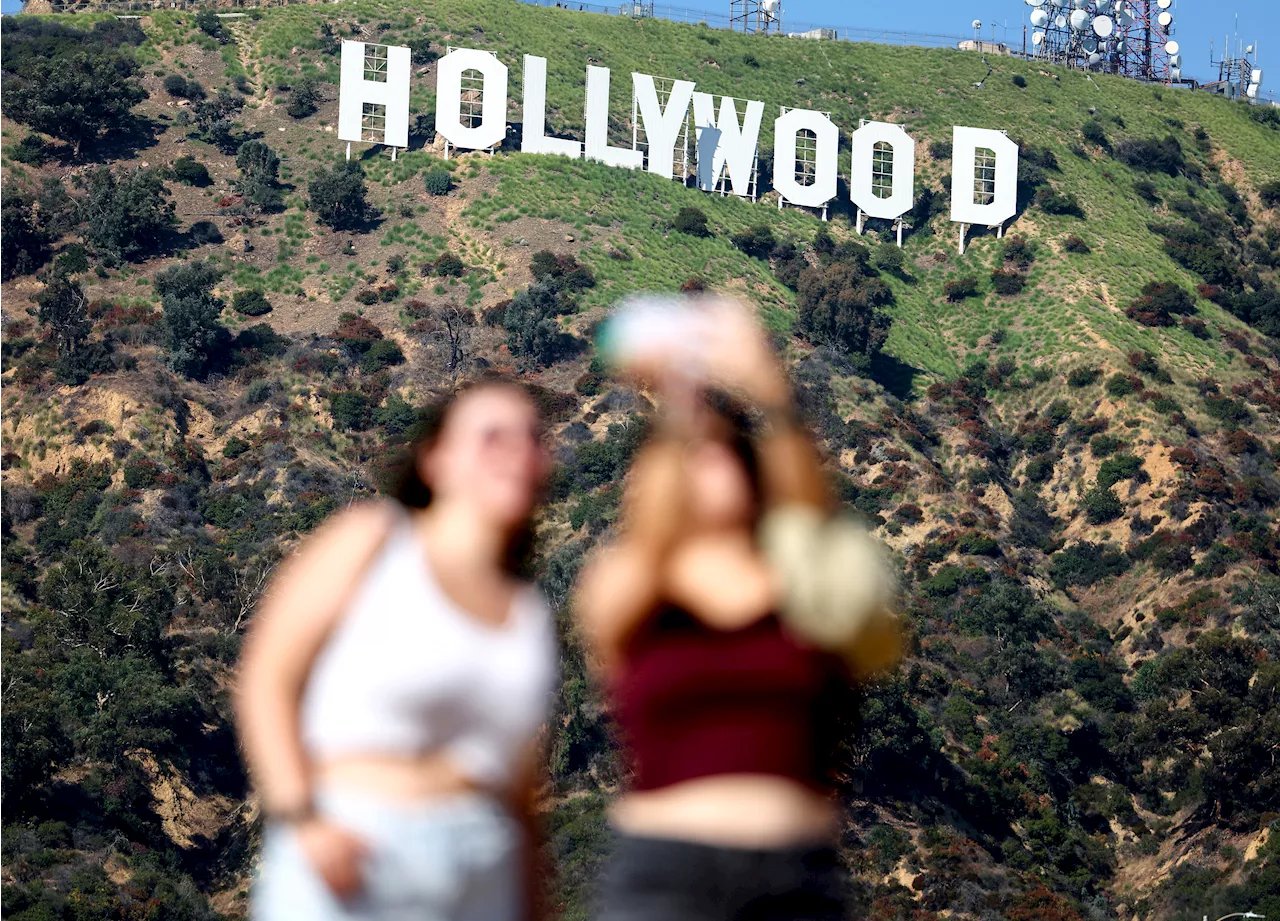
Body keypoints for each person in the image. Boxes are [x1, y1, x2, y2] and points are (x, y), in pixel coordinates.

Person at [576, 299, 894, 921]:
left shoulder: (805, 583)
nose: (705, 463)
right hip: (666, 875)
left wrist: (775, 401)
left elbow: (820, 534)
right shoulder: (635, 587)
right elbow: (643, 547)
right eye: (688, 459)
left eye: (723, 452)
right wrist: (676, 410)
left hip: (795, 876)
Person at [237, 377, 559, 921]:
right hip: (358, 848)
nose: (518, 453)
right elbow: (268, 678)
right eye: (492, 436)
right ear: (436, 460)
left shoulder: (528, 614)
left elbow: (523, 789)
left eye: (531, 438)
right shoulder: (374, 540)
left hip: (483, 864)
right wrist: (303, 818)